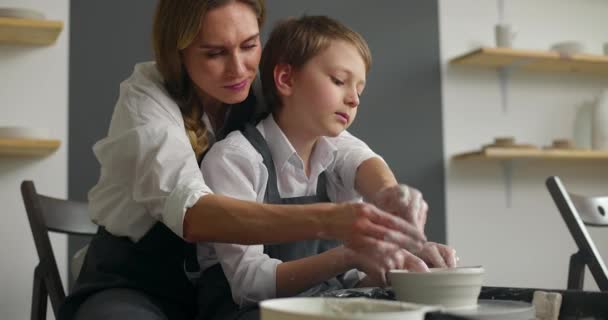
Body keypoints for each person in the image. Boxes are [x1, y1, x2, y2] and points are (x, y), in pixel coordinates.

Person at [59, 1, 438, 320]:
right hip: (137, 281)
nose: (239, 68)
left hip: (216, 289)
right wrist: (336, 222)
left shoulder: (255, 85)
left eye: (249, 45)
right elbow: (194, 215)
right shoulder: (146, 101)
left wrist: (390, 196)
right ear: (178, 53)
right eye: (215, 53)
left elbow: (346, 148)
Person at [195, 15, 457, 320]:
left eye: (360, 88)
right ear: (286, 80)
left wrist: (399, 261)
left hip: (325, 307)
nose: (354, 99)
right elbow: (249, 285)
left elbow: (349, 281)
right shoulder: (233, 160)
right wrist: (351, 255)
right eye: (339, 80)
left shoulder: (335, 153)